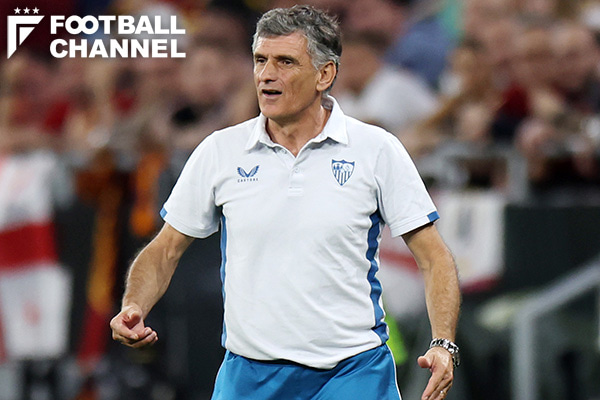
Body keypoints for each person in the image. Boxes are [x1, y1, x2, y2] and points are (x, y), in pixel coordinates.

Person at [110, 5, 461, 400]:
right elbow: (164, 249)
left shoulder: (376, 149)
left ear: (324, 74)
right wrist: (133, 304)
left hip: (353, 372)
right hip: (249, 375)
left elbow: (434, 257)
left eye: (285, 62)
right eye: (260, 60)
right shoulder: (220, 151)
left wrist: (443, 343)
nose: (266, 74)